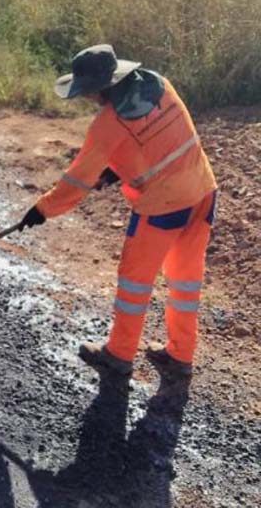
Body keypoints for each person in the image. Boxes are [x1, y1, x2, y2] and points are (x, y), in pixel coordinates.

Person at [19, 44, 216, 379]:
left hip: (163, 207)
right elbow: (161, 142)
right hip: (203, 192)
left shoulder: (108, 124)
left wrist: (42, 209)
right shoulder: (161, 86)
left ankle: (119, 354)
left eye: (86, 92)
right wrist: (115, 170)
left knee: (134, 283)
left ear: (98, 89)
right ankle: (180, 356)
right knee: (185, 282)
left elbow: (77, 180)